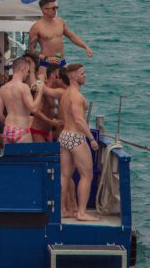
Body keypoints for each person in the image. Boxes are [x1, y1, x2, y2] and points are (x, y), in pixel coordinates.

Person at [58, 64, 100, 221]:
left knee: (64, 175)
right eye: (82, 73)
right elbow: (79, 120)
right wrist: (91, 139)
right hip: (76, 137)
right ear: (73, 76)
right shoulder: (76, 96)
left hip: (64, 136)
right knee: (87, 175)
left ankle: (62, 210)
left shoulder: (65, 94)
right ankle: (81, 213)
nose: (85, 76)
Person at [28, 0, 94, 78]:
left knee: (63, 87)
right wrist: (46, 58)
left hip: (61, 62)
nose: (55, 10)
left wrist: (85, 47)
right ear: (44, 10)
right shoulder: (36, 27)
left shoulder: (60, 21)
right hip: (46, 63)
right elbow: (31, 50)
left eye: (56, 8)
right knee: (45, 87)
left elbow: (71, 36)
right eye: (53, 8)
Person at [0, 57, 45, 144]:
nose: (27, 74)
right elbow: (33, 108)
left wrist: (10, 125)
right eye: (28, 71)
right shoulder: (24, 87)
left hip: (7, 129)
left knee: (10, 157)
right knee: (26, 157)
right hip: (22, 129)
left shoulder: (3, 88)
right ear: (22, 68)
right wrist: (41, 90)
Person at [30, 65, 68, 142]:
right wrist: (52, 122)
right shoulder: (41, 90)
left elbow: (50, 110)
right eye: (59, 75)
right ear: (53, 75)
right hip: (38, 131)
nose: (61, 78)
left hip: (49, 131)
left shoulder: (53, 92)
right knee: (43, 153)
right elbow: (36, 112)